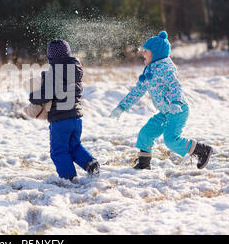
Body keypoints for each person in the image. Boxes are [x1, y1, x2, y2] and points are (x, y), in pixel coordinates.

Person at [109, 31, 213, 170]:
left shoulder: (166, 68)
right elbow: (137, 91)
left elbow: (175, 86)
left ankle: (202, 150)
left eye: (146, 51)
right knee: (146, 133)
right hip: (165, 112)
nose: (142, 53)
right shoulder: (148, 72)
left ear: (156, 53)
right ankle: (143, 164)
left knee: (171, 140)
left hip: (178, 110)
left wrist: (175, 102)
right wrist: (121, 107)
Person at [29, 39, 100, 180]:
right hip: (76, 118)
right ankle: (90, 163)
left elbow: (45, 95)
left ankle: (69, 178)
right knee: (74, 146)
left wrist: (33, 97)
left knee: (59, 151)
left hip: (60, 120)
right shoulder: (76, 71)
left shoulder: (53, 74)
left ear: (50, 58)